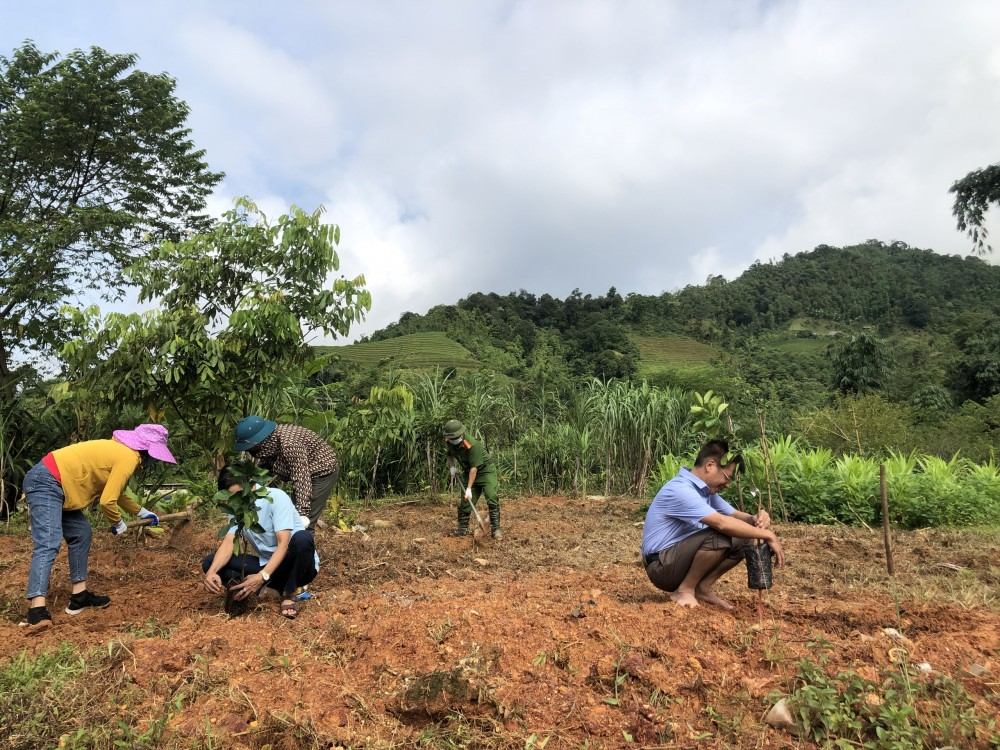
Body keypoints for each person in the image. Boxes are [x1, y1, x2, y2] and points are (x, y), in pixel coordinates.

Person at [22, 424, 176, 629]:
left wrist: (142, 512)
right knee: (48, 541)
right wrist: (117, 523)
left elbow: (116, 492)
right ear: (147, 451)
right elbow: (107, 501)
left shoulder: (121, 452)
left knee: (81, 533)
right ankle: (36, 610)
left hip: (60, 485)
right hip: (47, 480)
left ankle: (79, 597)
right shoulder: (128, 457)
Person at [640, 439, 784, 609]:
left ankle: (701, 588)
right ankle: (685, 589)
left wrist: (756, 519)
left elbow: (735, 516)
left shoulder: (705, 492)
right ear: (710, 465)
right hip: (661, 567)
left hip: (675, 561)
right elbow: (721, 523)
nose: (728, 485)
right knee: (721, 533)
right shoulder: (681, 490)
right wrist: (768, 535)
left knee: (745, 537)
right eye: (727, 477)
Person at [202, 464, 319, 619]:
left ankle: (289, 592)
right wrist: (211, 572)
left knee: (303, 538)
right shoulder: (237, 508)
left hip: (297, 565)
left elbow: (284, 544)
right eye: (231, 498)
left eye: (239, 495)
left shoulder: (276, 498)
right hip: (269, 566)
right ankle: (259, 589)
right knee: (210, 563)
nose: (236, 501)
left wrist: (262, 576)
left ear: (251, 484)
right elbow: (229, 541)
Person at [234, 416, 340, 529]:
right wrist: (252, 483)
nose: (249, 450)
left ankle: (304, 538)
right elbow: (265, 466)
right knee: (292, 515)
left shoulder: (289, 445)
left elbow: (301, 478)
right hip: (305, 471)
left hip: (322, 470)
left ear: (258, 441)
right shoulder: (271, 441)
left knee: (302, 523)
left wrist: (303, 513)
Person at [443, 419, 501, 539]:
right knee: (465, 503)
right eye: (451, 437)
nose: (453, 439)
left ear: (461, 433)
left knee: (491, 496)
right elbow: (449, 455)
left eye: (456, 437)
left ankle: (496, 530)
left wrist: (469, 488)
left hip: (485, 471)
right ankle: (462, 530)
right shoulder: (449, 441)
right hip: (468, 472)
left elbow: (474, 469)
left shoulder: (472, 444)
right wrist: (452, 467)